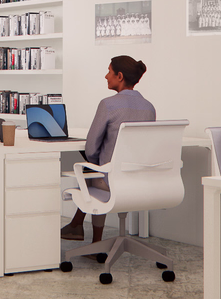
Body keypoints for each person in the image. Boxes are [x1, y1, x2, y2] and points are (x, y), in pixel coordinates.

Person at [62, 55, 156, 244]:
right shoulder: (149, 108)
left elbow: (91, 148)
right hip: (139, 179)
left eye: (109, 71)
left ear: (119, 76)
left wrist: (97, 160)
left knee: (94, 169)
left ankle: (92, 240)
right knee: (98, 169)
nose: (106, 76)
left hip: (110, 180)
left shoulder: (108, 105)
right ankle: (77, 226)